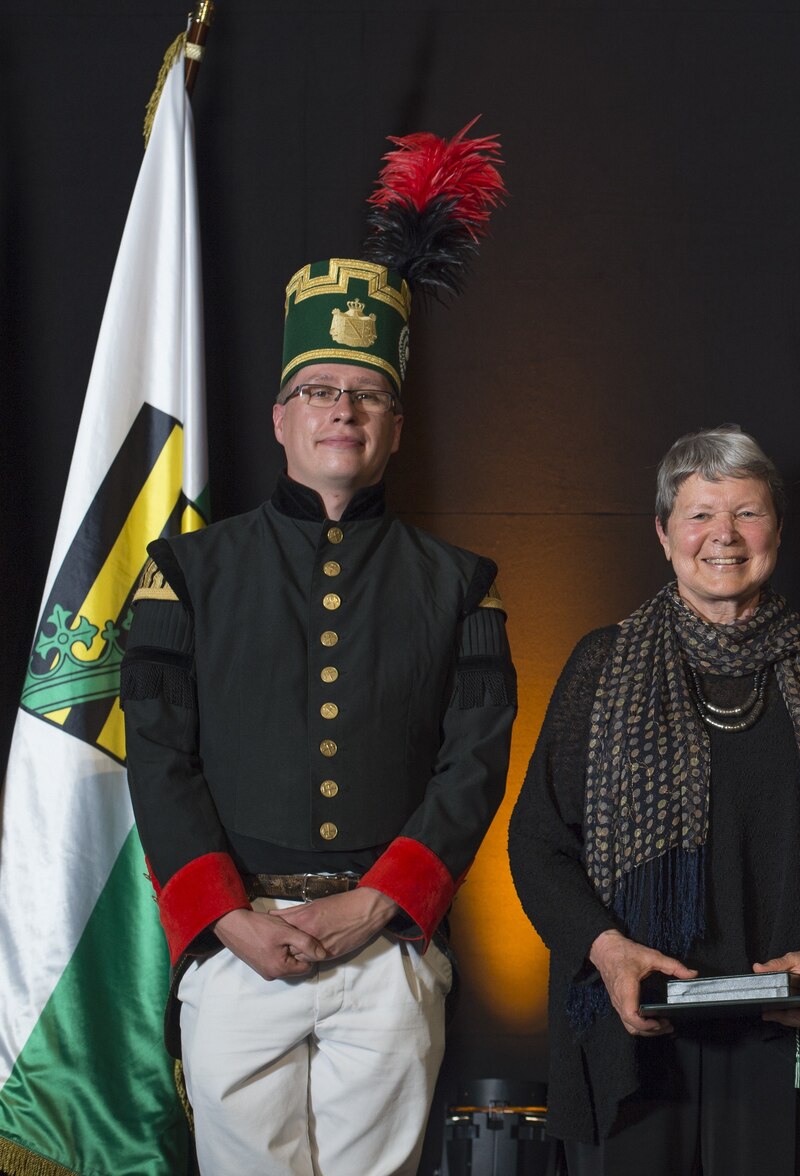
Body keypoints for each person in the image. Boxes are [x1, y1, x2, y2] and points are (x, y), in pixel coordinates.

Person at [120, 125, 513, 1175]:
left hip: (386, 948)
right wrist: (226, 916)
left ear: (394, 425)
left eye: (368, 395)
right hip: (238, 944)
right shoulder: (185, 574)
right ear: (280, 419)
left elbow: (472, 763)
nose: (342, 409)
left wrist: (379, 901)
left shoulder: (461, 583)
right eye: (319, 392)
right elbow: (157, 757)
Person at [509, 425, 800, 1175]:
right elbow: (537, 845)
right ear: (664, 534)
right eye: (699, 515)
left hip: (786, 1035)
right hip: (635, 1036)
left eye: (747, 513)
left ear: (777, 531)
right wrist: (608, 950)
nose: (723, 535)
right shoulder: (601, 667)